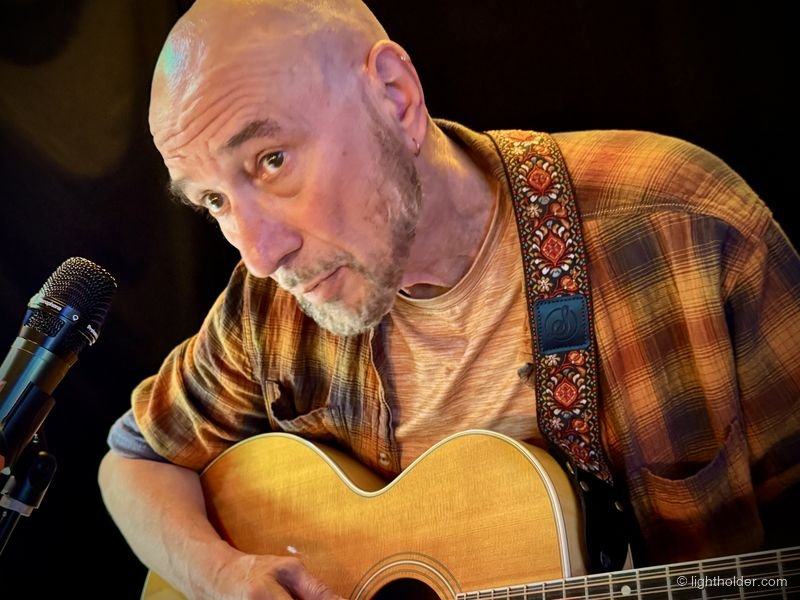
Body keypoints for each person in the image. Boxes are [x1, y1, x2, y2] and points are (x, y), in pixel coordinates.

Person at [98, 0, 800, 598]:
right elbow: (134, 462)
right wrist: (219, 574)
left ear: (396, 97)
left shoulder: (684, 230)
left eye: (271, 160)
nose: (258, 252)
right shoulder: (268, 309)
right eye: (215, 200)